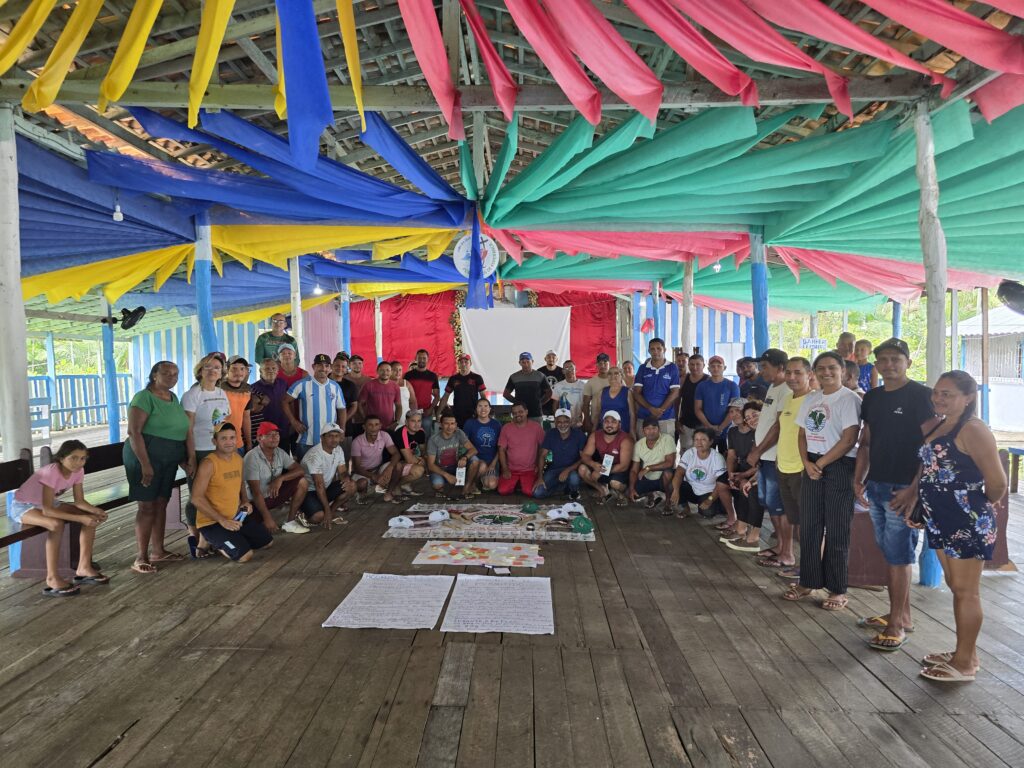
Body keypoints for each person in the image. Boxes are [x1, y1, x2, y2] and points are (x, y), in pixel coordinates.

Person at [913, 371, 1005, 683]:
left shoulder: (973, 429)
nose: (938, 398)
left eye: (947, 394)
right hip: (940, 518)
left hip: (966, 520)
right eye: (937, 393)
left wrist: (980, 505)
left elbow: (997, 482)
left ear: (968, 397)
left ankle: (965, 663)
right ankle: (965, 652)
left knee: (966, 591)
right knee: (956, 587)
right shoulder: (942, 423)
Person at [853, 338, 937, 652]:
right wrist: (858, 477)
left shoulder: (922, 396)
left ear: (908, 363)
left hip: (904, 488)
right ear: (876, 364)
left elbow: (930, 448)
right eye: (883, 359)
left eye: (895, 359)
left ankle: (895, 626)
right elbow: (866, 441)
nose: (889, 364)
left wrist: (915, 489)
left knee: (899, 556)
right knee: (889, 552)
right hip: (875, 484)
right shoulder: (873, 398)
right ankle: (901, 613)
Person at [783, 352, 862, 612]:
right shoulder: (813, 398)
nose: (826, 372)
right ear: (814, 372)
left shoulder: (849, 399)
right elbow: (803, 433)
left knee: (838, 529)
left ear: (843, 370)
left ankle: (837, 589)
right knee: (810, 527)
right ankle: (808, 581)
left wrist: (821, 464)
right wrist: (807, 463)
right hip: (813, 464)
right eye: (821, 368)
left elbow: (849, 439)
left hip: (838, 465)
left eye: (832, 368)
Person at [9, 440, 109, 595]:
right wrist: (80, 519)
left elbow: (80, 501)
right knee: (56, 524)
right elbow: (48, 511)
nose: (78, 462)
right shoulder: (51, 472)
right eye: (73, 458)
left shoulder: (78, 471)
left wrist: (95, 510)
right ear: (62, 458)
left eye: (82, 458)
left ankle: (83, 567)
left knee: (90, 516)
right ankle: (52, 577)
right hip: (24, 505)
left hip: (47, 504)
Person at [124, 361, 190, 574]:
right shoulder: (144, 397)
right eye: (166, 373)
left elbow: (177, 430)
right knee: (147, 505)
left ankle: (158, 551)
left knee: (162, 502)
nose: (172, 376)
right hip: (146, 457)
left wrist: (182, 459)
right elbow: (134, 432)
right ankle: (140, 556)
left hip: (168, 459)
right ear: (154, 375)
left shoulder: (174, 398)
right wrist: (145, 465)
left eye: (175, 373)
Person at [191, 423, 273, 563]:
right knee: (244, 556)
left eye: (232, 438)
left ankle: (231, 538)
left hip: (236, 517)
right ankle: (212, 540)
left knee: (267, 542)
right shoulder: (209, 463)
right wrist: (222, 521)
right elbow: (196, 499)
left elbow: (240, 483)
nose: (229, 442)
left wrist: (245, 501)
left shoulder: (238, 459)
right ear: (214, 441)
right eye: (223, 438)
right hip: (213, 522)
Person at [182, 352, 231, 557]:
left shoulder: (221, 392)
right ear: (200, 370)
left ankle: (208, 537)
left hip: (218, 450)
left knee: (215, 493)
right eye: (208, 367)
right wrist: (191, 457)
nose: (212, 371)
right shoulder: (193, 394)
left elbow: (224, 422)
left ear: (222, 373)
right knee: (197, 494)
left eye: (217, 368)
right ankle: (195, 534)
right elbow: (187, 429)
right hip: (200, 450)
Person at [767, 357, 812, 574]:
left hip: (801, 469)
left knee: (807, 523)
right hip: (783, 466)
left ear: (809, 374)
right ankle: (792, 559)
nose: (792, 378)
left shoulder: (813, 400)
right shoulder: (788, 399)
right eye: (790, 373)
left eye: (798, 373)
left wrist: (807, 465)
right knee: (794, 519)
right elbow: (783, 431)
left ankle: (809, 568)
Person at [746, 349, 790, 563]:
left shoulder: (787, 390)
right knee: (770, 504)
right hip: (765, 456)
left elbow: (779, 426)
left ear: (781, 367)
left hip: (774, 456)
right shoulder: (773, 387)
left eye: (765, 366)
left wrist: (757, 450)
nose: (760, 371)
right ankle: (780, 545)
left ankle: (787, 553)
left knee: (779, 506)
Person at [244, 422, 310, 536]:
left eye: (277, 434)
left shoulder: (279, 452)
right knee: (258, 535)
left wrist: (280, 478)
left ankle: (290, 522)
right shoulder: (252, 457)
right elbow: (256, 493)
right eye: (270, 435)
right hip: (255, 503)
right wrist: (267, 518)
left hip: (272, 496)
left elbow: (300, 470)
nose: (275, 438)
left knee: (302, 481)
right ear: (259, 438)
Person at [284, 353, 347, 461]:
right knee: (305, 474)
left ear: (330, 367)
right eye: (320, 365)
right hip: (307, 440)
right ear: (313, 367)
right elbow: (285, 401)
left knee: (328, 474)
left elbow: (341, 409)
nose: (323, 368)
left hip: (330, 440)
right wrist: (294, 422)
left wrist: (342, 430)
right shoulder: (302, 384)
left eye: (326, 365)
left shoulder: (335, 386)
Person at [299, 422, 357, 527]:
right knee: (318, 517)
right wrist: (326, 510)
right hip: (309, 491)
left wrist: (346, 479)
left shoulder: (338, 450)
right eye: (330, 436)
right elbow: (319, 485)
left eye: (336, 436)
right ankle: (307, 512)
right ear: (322, 437)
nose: (334, 439)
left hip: (325, 488)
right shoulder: (314, 455)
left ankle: (331, 511)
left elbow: (343, 472)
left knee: (352, 486)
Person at [724, 402, 764, 552]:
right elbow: (732, 456)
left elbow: (759, 463)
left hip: (774, 473)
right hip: (759, 472)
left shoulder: (766, 432)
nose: (751, 419)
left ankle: (753, 538)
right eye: (748, 417)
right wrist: (734, 475)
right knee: (745, 487)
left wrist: (747, 477)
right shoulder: (736, 432)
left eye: (755, 415)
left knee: (751, 490)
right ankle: (741, 529)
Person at [670, 427, 731, 519]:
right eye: (696, 439)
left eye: (703, 439)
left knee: (707, 513)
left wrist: (710, 499)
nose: (699, 443)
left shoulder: (717, 458)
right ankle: (686, 508)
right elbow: (679, 472)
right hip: (692, 488)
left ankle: (720, 506)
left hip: (709, 492)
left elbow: (721, 484)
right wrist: (676, 490)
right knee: (673, 484)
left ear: (711, 442)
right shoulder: (689, 453)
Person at [579, 411, 634, 505]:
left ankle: (622, 494)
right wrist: (593, 464)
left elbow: (624, 466)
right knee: (582, 469)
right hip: (603, 465)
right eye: (606, 421)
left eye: (613, 422)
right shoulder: (595, 435)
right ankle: (603, 490)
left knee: (615, 483)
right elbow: (585, 455)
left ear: (619, 425)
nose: (609, 425)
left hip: (618, 469)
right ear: (602, 423)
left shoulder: (626, 439)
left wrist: (602, 471)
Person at [534, 408, 587, 499]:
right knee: (538, 493)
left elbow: (584, 458)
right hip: (554, 470)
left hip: (572, 470)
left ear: (570, 422)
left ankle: (572, 490)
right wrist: (540, 477)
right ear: (555, 422)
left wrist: (567, 470)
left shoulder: (579, 435)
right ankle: (564, 489)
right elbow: (542, 455)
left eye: (566, 421)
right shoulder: (551, 433)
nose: (562, 425)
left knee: (574, 479)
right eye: (559, 422)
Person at [633, 338, 681, 438]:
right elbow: (636, 393)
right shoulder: (643, 368)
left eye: (659, 348)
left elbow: (675, 392)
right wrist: (651, 409)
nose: (655, 352)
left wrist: (660, 410)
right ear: (649, 351)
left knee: (666, 450)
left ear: (664, 350)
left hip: (666, 418)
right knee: (644, 450)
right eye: (652, 349)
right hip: (644, 417)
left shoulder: (672, 367)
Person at [427, 409, 481, 498]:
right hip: (440, 469)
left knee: (475, 460)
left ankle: (466, 488)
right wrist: (447, 475)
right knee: (438, 484)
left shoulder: (459, 433)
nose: (450, 427)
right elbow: (430, 465)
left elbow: (473, 449)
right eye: (446, 423)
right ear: (441, 425)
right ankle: (444, 486)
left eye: (452, 424)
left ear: (456, 425)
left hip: (456, 466)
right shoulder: (434, 439)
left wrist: (465, 457)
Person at [350, 415, 403, 502]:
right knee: (362, 483)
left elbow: (396, 454)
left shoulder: (384, 435)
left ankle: (388, 493)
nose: (373, 428)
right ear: (364, 427)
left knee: (398, 465)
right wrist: (374, 477)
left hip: (378, 468)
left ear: (380, 426)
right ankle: (362, 494)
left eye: (376, 424)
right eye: (370, 425)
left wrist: (389, 469)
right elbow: (357, 468)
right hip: (363, 472)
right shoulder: (357, 441)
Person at [628, 416, 676, 511]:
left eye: (654, 428)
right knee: (631, 494)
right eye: (648, 429)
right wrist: (632, 488)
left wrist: (648, 468)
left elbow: (669, 463)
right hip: (648, 477)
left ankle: (668, 501)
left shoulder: (667, 439)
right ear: (643, 431)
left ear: (659, 429)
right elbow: (634, 470)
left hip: (663, 478)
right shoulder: (639, 445)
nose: (651, 431)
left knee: (668, 473)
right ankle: (651, 495)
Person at [496, 402, 545, 495]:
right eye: (514, 413)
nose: (517, 415)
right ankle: (517, 483)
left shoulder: (536, 427)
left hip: (529, 470)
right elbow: (501, 450)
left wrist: (538, 465)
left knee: (530, 492)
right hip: (511, 469)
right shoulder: (506, 428)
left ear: (526, 412)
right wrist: (505, 469)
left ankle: (520, 484)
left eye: (520, 412)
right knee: (502, 490)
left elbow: (543, 448)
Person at [695, 355, 740, 443]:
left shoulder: (732, 386)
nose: (716, 369)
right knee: (707, 455)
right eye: (713, 366)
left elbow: (735, 409)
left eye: (719, 366)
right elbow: (697, 409)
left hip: (727, 430)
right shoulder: (702, 386)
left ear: (724, 368)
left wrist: (721, 427)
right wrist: (709, 426)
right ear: (708, 369)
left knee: (726, 455)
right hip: (707, 430)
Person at [464, 397, 501, 492]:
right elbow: (464, 443)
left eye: (485, 406)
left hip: (492, 460)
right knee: (482, 466)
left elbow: (500, 447)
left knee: (491, 485)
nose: (483, 409)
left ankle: (480, 480)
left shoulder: (496, 424)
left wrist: (493, 464)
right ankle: (472, 483)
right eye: (480, 406)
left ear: (490, 408)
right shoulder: (470, 423)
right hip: (475, 459)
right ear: (476, 409)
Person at [503, 352, 551, 423]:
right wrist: (517, 403)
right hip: (519, 414)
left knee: (537, 433)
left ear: (532, 361)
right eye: (523, 362)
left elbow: (549, 393)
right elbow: (506, 394)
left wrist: (539, 403)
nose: (526, 364)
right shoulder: (514, 377)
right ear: (519, 363)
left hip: (536, 413)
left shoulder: (540, 376)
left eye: (528, 361)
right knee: (519, 433)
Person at [390, 409, 428, 496]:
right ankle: (395, 486)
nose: (416, 424)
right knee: (419, 470)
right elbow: (409, 459)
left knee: (426, 463)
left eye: (419, 421)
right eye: (413, 421)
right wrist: (421, 461)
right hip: (392, 465)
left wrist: (424, 459)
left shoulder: (421, 432)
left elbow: (423, 451)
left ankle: (404, 485)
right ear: (406, 422)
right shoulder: (401, 433)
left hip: (404, 462)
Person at [441, 353, 485, 427]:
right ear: (458, 364)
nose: (463, 364)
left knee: (472, 437)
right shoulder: (453, 379)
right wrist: (438, 412)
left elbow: (483, 397)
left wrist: (484, 412)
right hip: (457, 415)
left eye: (466, 362)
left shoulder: (477, 378)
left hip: (473, 414)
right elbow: (445, 396)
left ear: (470, 363)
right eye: (461, 362)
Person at [358, 360, 402, 431]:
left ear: (391, 372)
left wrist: (396, 422)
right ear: (377, 371)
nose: (385, 373)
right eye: (382, 370)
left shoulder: (395, 387)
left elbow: (399, 406)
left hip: (389, 426)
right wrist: (365, 419)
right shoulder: (368, 385)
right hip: (372, 426)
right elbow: (360, 404)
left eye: (388, 370)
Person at [405, 349, 441, 437]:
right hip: (410, 411)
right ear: (415, 359)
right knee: (410, 435)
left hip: (426, 412)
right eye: (419, 358)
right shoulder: (408, 375)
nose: (421, 360)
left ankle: (426, 451)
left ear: (428, 359)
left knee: (426, 436)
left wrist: (431, 409)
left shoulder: (432, 376)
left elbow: (437, 396)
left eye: (424, 358)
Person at [221, 355, 253, 452]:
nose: (238, 372)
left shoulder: (247, 391)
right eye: (234, 369)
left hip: (238, 443)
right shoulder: (218, 389)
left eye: (242, 369)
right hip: (219, 443)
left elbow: (246, 418)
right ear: (227, 370)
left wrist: (249, 442)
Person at [678, 354, 709, 451]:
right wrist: (677, 420)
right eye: (692, 364)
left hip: (703, 424)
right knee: (685, 453)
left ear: (703, 365)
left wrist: (707, 424)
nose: (694, 367)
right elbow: (677, 401)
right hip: (686, 423)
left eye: (698, 364)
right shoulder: (683, 379)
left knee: (701, 452)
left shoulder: (709, 381)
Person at [581, 352, 612, 433]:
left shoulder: (617, 380)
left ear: (609, 364)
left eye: (605, 363)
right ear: (597, 366)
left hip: (615, 421)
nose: (603, 366)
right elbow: (586, 404)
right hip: (596, 422)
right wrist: (587, 421)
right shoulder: (590, 382)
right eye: (600, 363)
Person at [600, 366, 634, 435]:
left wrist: (632, 431)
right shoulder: (602, 391)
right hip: (605, 432)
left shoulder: (627, 392)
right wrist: (593, 430)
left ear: (621, 376)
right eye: (610, 374)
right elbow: (597, 413)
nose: (613, 376)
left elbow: (632, 414)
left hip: (623, 431)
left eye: (616, 373)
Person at [551, 360, 586, 427]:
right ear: (563, 371)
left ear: (575, 369)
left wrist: (584, 421)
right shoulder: (558, 386)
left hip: (578, 423)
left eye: (571, 367)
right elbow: (555, 405)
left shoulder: (583, 385)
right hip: (563, 423)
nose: (569, 370)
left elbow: (585, 405)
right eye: (566, 368)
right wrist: (556, 419)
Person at [345, 354, 371, 440]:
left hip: (364, 418)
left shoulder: (369, 381)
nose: (357, 366)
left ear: (363, 365)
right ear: (349, 365)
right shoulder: (344, 379)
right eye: (354, 363)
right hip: (347, 418)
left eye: (359, 363)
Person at [390, 360, 418, 427]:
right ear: (389, 371)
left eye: (400, 370)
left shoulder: (407, 383)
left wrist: (414, 418)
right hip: (389, 422)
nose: (398, 372)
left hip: (405, 421)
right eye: (395, 370)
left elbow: (413, 402)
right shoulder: (385, 384)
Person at [539, 350, 565, 417]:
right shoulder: (539, 372)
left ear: (557, 359)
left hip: (558, 404)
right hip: (543, 405)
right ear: (545, 359)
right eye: (549, 357)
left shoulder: (562, 372)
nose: (551, 359)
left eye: (553, 357)